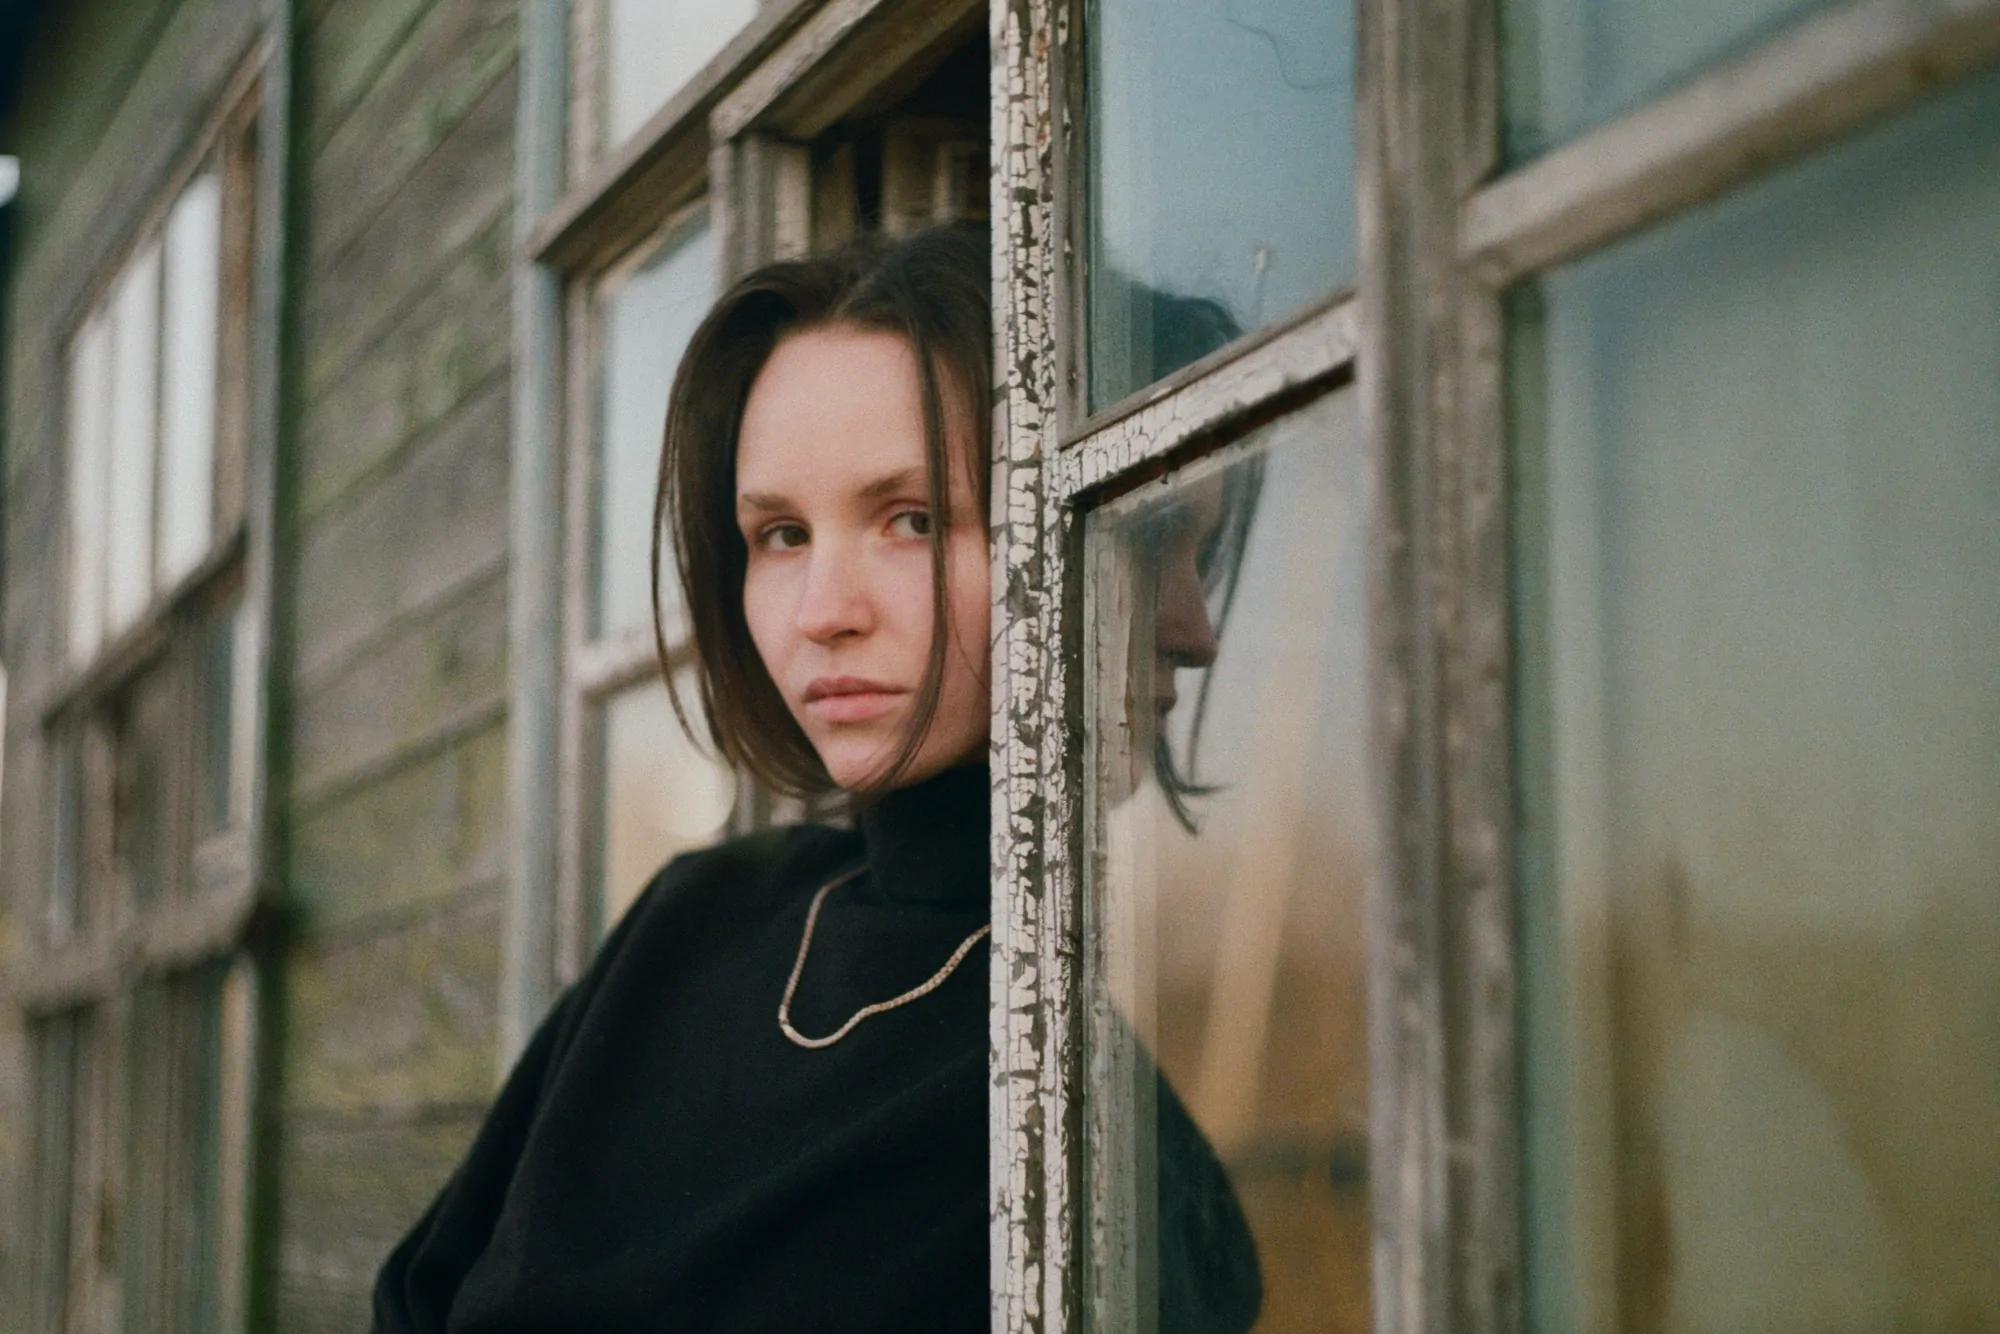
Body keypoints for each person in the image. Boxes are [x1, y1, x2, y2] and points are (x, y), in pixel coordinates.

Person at [371, 226, 1257, 1333]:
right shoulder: (693, 917)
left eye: (911, 519)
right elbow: (412, 1297)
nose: (820, 611)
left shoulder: (1089, 1128)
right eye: (780, 533)